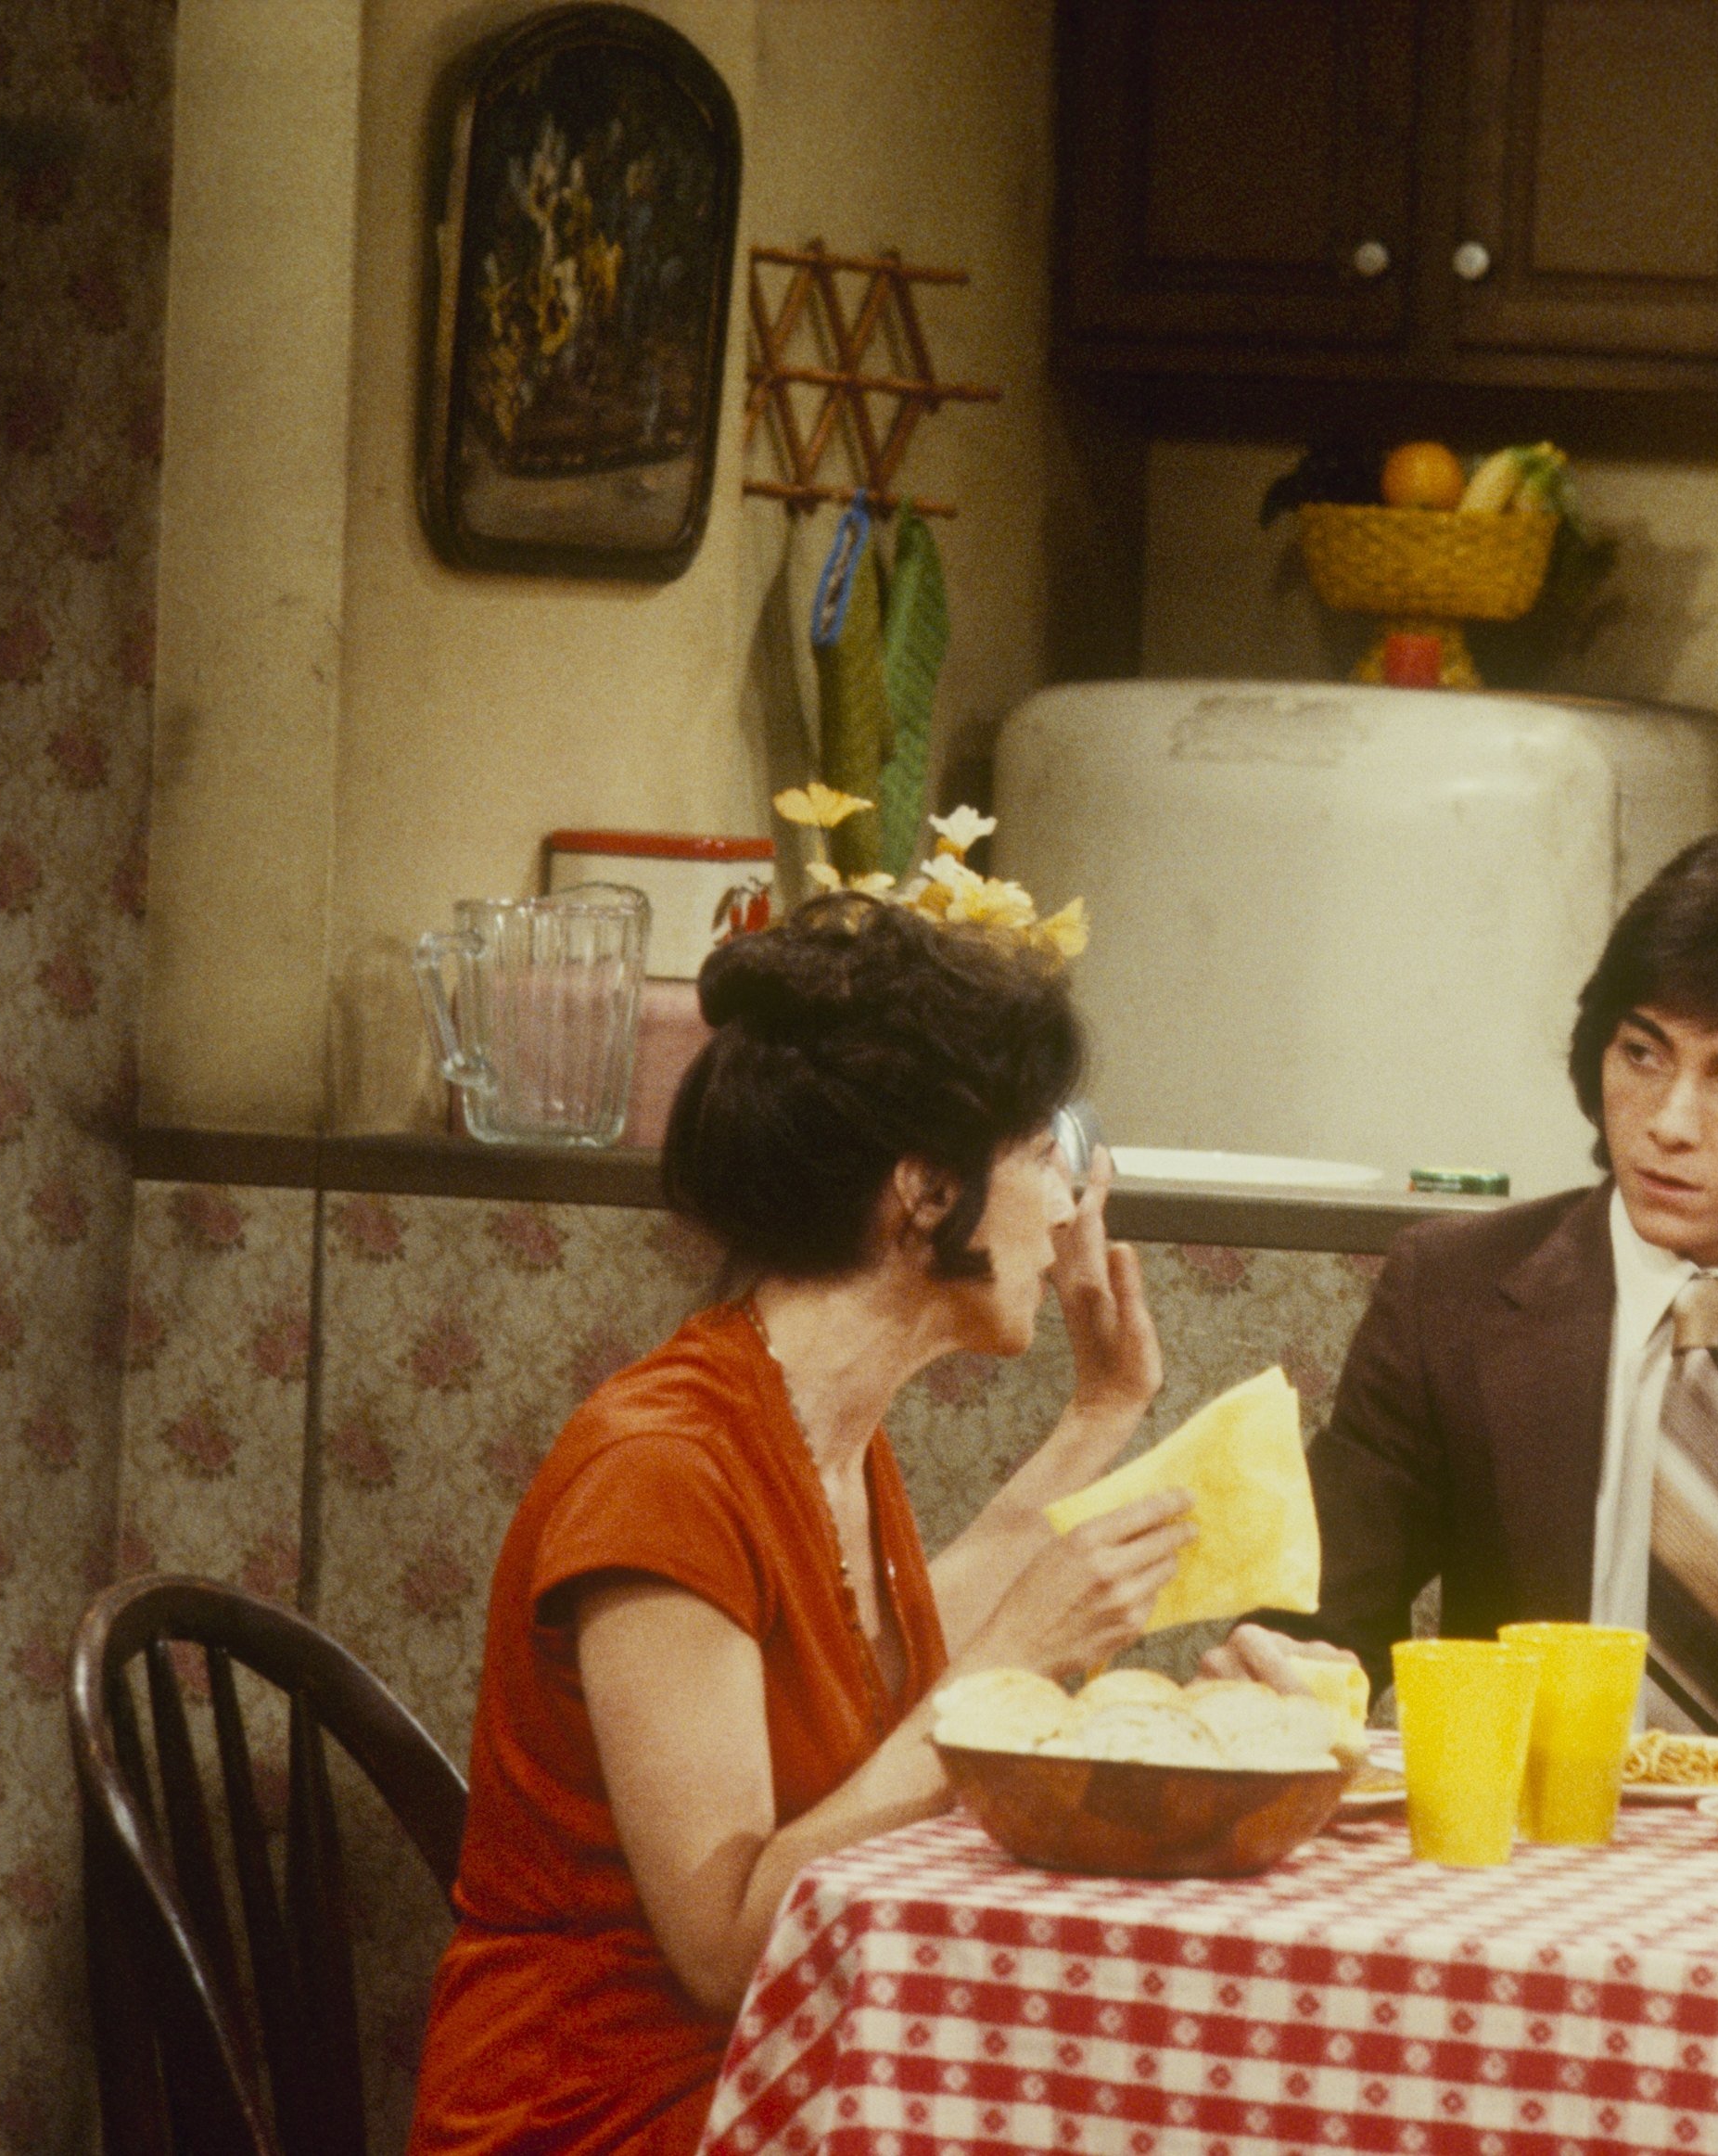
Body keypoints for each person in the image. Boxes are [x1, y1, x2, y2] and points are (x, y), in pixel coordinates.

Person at [408, 894, 1198, 2156]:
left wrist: (1104, 1413)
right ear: (925, 1191)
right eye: (1044, 1152)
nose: (1070, 1203)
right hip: (610, 2113)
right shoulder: (663, 1465)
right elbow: (725, 1942)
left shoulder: (807, 1426)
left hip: (790, 2067)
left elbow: (862, 1664)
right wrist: (1008, 1666)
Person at [1205, 833, 1718, 1741]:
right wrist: (1284, 1673)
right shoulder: (1450, 1294)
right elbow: (1316, 1618)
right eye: (1642, 1055)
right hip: (1535, 1853)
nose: (1669, 1123)